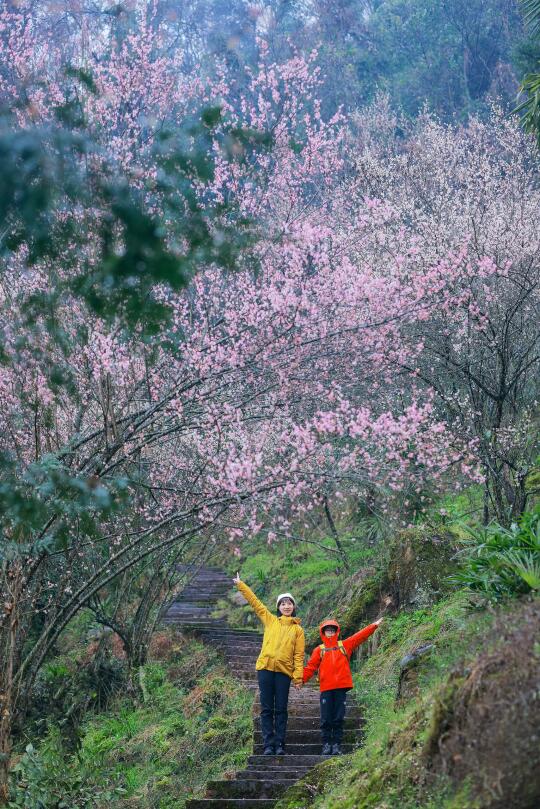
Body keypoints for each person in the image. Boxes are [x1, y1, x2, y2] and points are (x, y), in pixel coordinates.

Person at [233, 572, 305, 756]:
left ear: (293, 606)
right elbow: (255, 602)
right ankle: (268, 745)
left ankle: (280, 744)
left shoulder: (298, 630)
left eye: (289, 603)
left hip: (283, 672)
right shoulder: (270, 620)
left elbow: (298, 655)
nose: (286, 606)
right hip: (265, 668)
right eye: (283, 603)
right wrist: (241, 585)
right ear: (278, 607)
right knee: (266, 709)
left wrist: (298, 677)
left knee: (281, 709)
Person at [303, 616, 383, 755]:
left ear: (337, 632)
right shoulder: (319, 650)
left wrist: (373, 626)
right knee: (326, 718)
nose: (330, 632)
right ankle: (327, 744)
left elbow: (359, 636)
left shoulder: (344, 645)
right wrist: (301, 680)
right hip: (326, 689)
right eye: (327, 630)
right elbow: (310, 667)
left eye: (332, 630)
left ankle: (337, 745)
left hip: (341, 688)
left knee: (338, 717)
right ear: (323, 632)